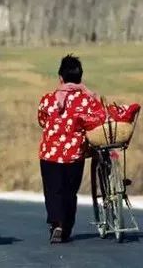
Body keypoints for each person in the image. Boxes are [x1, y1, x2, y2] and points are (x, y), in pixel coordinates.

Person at [37, 55, 102, 243]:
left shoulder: (48, 99)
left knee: (52, 191)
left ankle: (56, 223)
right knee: (69, 192)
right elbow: (96, 120)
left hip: (49, 155)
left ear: (60, 78)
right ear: (80, 78)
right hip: (74, 155)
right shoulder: (86, 100)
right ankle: (66, 227)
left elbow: (42, 120)